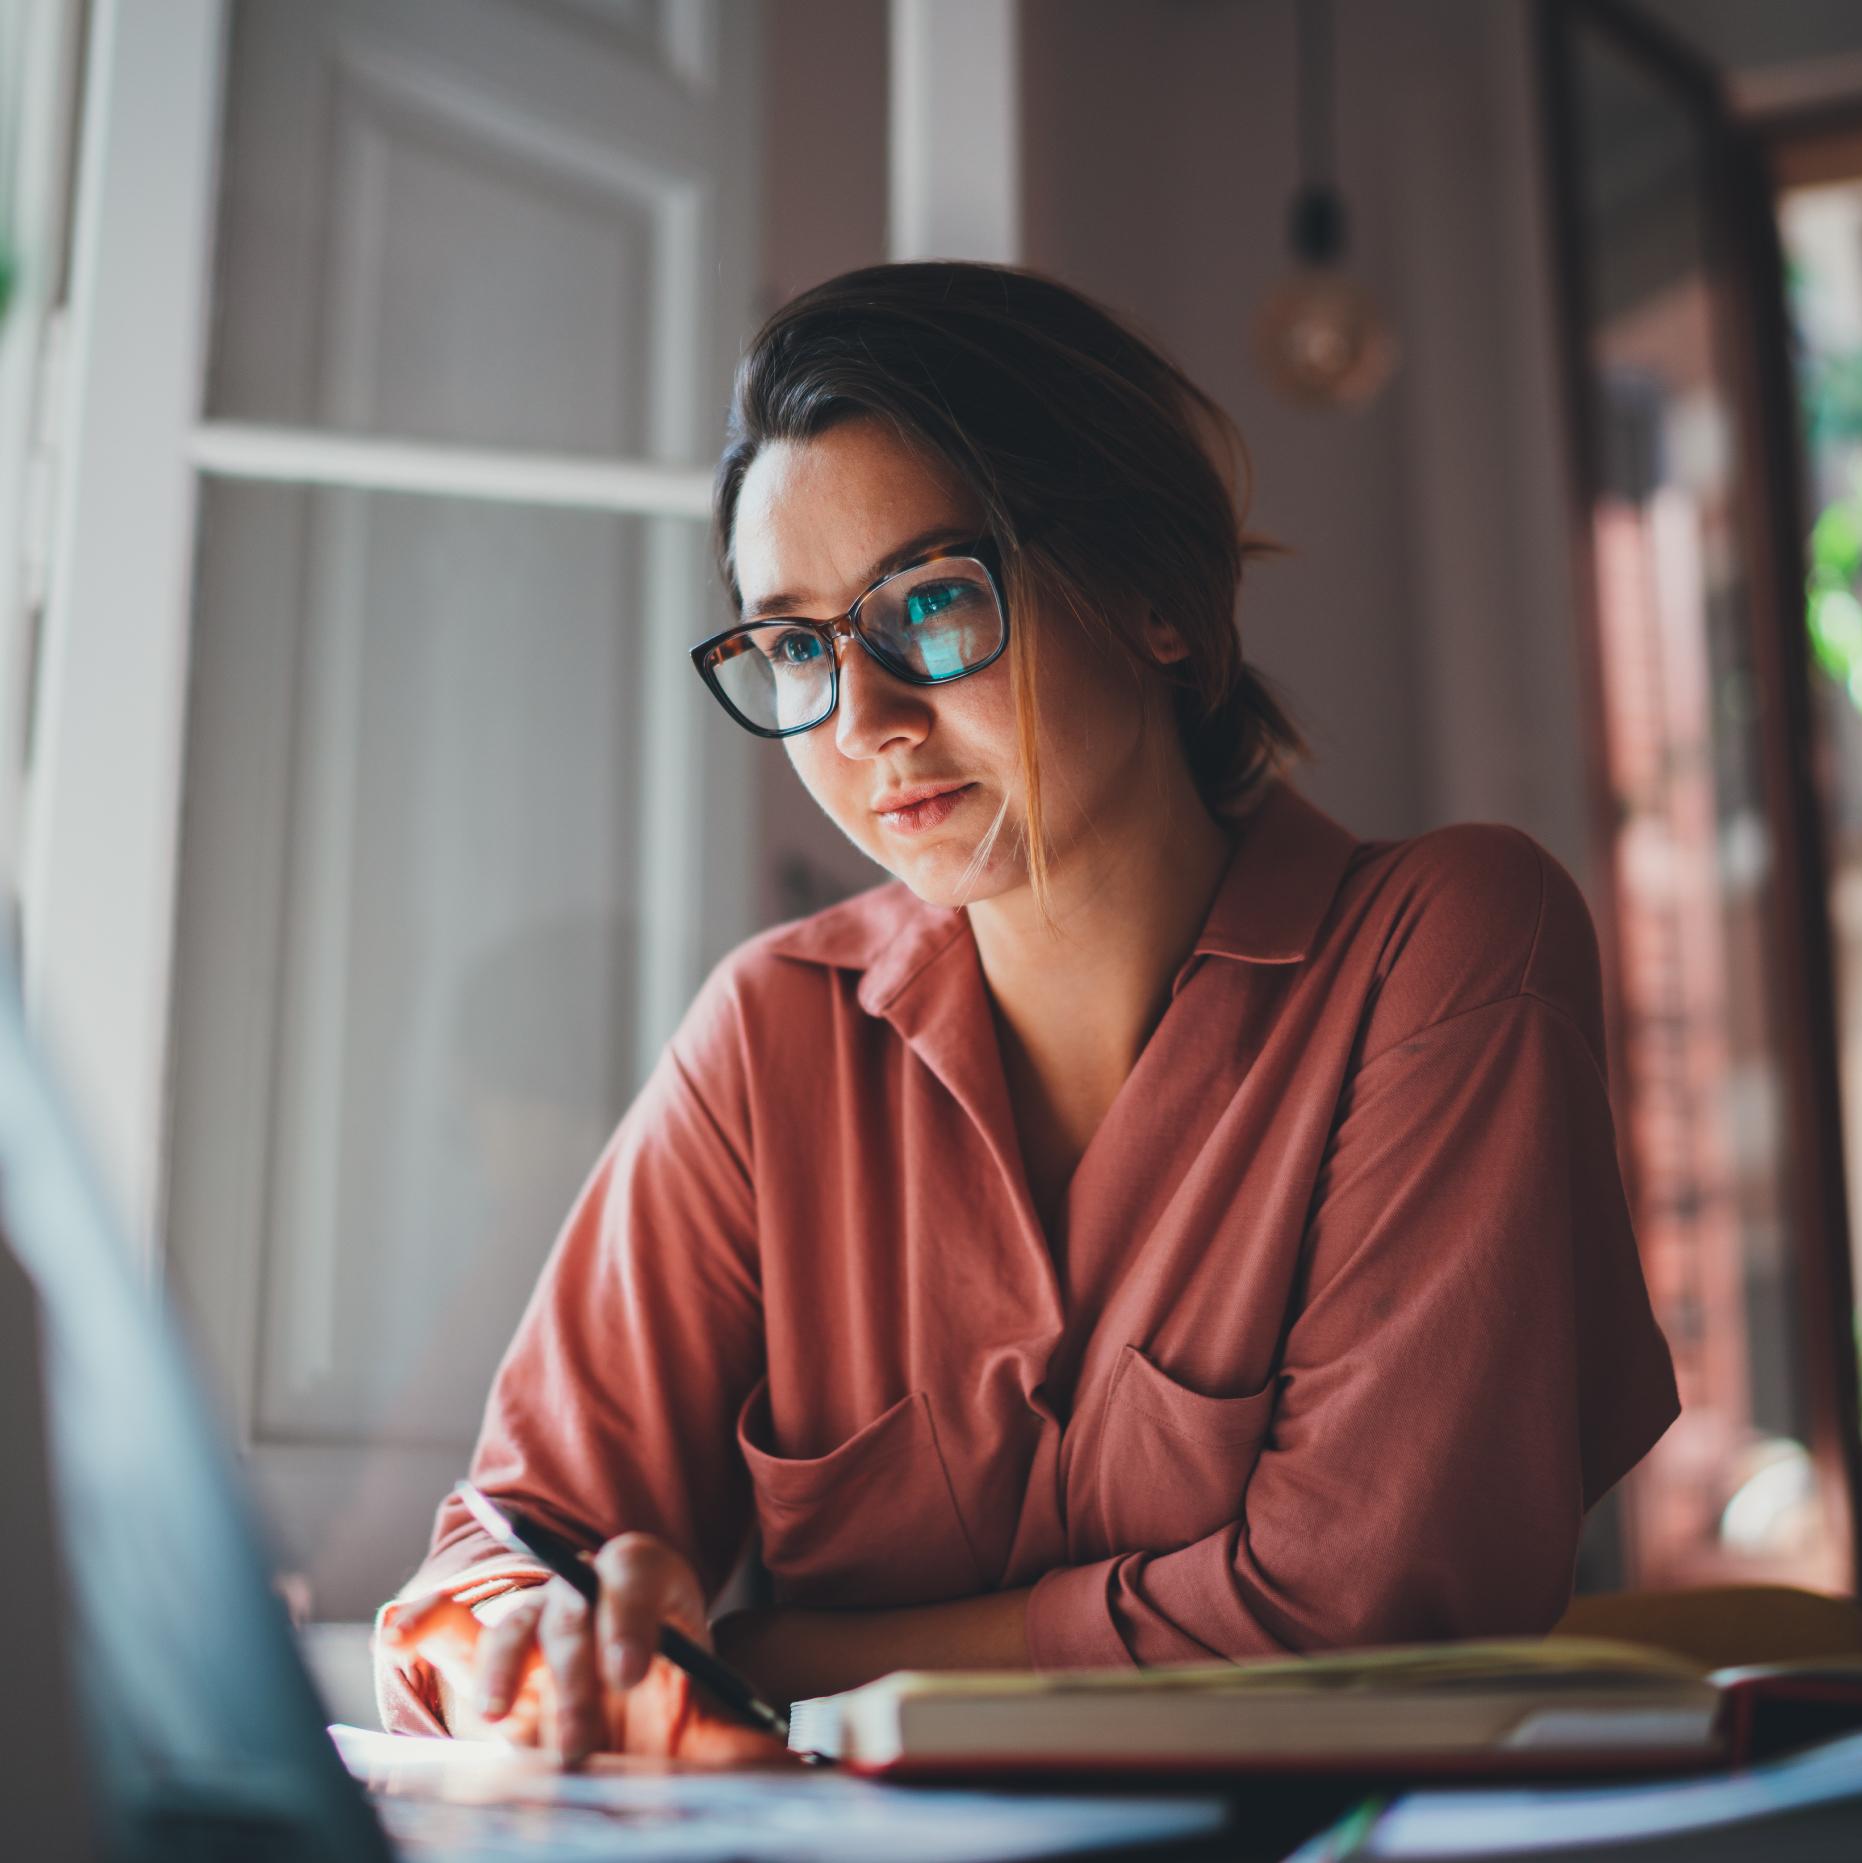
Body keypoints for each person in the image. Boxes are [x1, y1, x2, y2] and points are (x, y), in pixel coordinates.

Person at [373, 260, 1680, 1765]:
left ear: (1160, 600)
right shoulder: (769, 1043)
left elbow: (1360, 1607)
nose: (863, 723)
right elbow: (509, 1543)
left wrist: (780, 1656)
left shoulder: (1447, 951)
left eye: (930, 604)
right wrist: (528, 1636)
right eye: (797, 645)